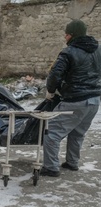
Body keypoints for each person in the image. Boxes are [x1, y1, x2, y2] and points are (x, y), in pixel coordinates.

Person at [41, 19, 101, 177]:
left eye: (67, 34)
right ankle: (72, 162)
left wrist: (51, 91)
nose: (65, 37)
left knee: (51, 132)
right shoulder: (98, 50)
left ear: (73, 35)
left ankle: (51, 168)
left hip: (75, 100)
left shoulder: (68, 52)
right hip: (94, 100)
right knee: (77, 132)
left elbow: (55, 75)